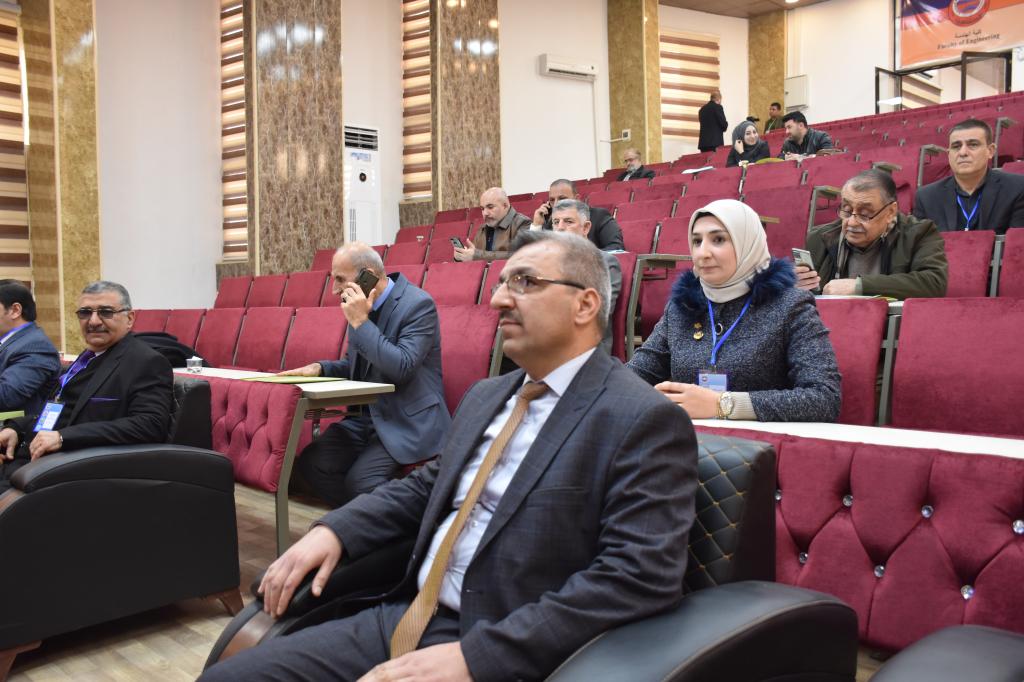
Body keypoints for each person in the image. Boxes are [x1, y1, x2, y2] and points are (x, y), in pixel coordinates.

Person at [200, 232, 698, 682]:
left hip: (504, 642)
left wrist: (479, 658)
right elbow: (426, 486)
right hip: (405, 611)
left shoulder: (642, 418)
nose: (498, 299)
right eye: (501, 283)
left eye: (524, 282)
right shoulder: (488, 395)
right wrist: (335, 531)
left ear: (585, 304)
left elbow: (636, 578)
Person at [628, 199, 841, 423]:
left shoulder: (790, 306)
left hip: (762, 442)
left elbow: (824, 398)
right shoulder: (682, 307)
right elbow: (636, 374)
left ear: (747, 244)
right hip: (689, 438)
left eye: (718, 239)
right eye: (697, 241)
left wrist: (723, 404)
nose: (702, 253)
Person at [280, 243, 450, 507]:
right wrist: (321, 368)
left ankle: (405, 520)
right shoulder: (358, 307)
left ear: (367, 275)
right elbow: (356, 366)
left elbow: (402, 367)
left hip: (407, 421)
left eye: (340, 279)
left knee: (361, 482)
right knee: (313, 463)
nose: (334, 290)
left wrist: (361, 322)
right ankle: (363, 518)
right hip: (367, 419)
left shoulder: (418, 305)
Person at [0, 281, 173, 491]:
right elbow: (60, 410)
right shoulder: (87, 358)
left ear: (129, 318)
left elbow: (149, 424)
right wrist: (17, 428)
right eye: (85, 313)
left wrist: (64, 438)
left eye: (106, 312)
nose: (93, 321)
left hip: (73, 474)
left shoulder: (145, 361)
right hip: (30, 461)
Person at [797, 169, 948, 299]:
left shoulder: (919, 233)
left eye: (865, 214)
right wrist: (795, 283)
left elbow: (934, 283)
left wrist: (860, 285)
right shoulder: (819, 238)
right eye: (847, 210)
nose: (852, 222)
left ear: (890, 212)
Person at [912, 118, 1024, 235]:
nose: (963, 152)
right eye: (956, 146)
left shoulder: (1017, 188)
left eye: (973, 145)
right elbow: (921, 243)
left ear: (990, 151)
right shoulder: (926, 197)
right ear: (949, 154)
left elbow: (1017, 243)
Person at [537, 200, 621, 354]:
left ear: (586, 227)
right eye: (556, 222)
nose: (560, 228)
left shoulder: (605, 263)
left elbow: (596, 313)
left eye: (568, 221)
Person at [0, 280, 60, 415]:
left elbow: (6, 396)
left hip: (13, 426)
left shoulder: (36, 347)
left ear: (15, 310)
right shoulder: (14, 342)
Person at [531, 178, 625, 251]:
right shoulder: (551, 223)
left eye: (562, 199)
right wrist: (536, 225)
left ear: (577, 198)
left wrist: (581, 257)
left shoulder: (599, 216)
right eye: (552, 200)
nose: (556, 204)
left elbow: (616, 247)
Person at [454, 187, 531, 262]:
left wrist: (477, 256)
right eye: (482, 209)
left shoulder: (523, 223)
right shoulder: (482, 229)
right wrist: (462, 257)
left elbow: (523, 256)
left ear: (505, 206)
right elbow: (474, 256)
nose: (485, 213)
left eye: (490, 207)